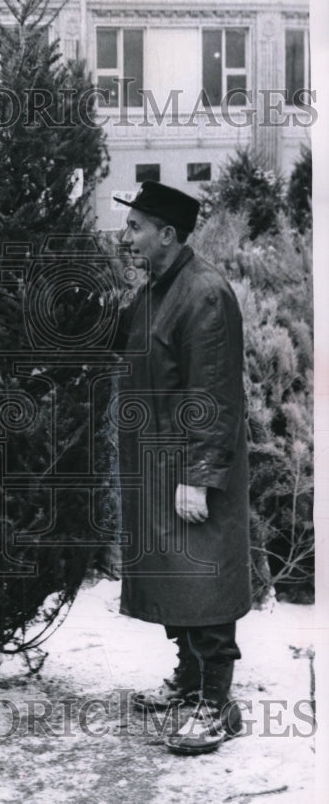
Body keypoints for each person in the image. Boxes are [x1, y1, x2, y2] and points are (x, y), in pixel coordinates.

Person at [113, 180, 251, 755]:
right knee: (177, 578)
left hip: (190, 467)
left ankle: (217, 704)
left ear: (167, 235)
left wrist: (199, 475)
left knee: (203, 579)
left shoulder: (203, 294)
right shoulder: (156, 289)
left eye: (135, 227)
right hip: (159, 463)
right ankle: (190, 683)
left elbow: (214, 393)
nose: (126, 237)